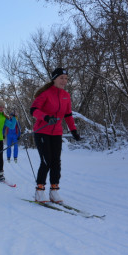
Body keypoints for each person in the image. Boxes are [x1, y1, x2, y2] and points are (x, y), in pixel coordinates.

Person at [30, 67, 81, 203]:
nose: (64, 81)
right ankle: (39, 191)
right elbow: (33, 110)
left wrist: (73, 130)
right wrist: (46, 117)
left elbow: (68, 115)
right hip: (42, 130)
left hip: (56, 132)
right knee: (46, 160)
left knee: (56, 162)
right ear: (54, 79)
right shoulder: (46, 93)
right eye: (61, 78)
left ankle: (54, 191)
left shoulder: (66, 96)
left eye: (66, 78)